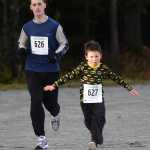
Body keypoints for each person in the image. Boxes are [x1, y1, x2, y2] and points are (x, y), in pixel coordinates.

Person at [43, 40, 139, 150]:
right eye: (92, 56)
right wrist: (54, 85)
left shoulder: (103, 68)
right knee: (88, 120)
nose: (94, 59)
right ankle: (98, 136)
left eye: (96, 56)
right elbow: (69, 76)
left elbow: (115, 77)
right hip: (85, 100)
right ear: (86, 57)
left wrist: (128, 88)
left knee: (99, 118)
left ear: (101, 56)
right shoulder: (83, 67)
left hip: (98, 99)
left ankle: (93, 141)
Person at [17, 0, 69, 149]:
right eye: (34, 4)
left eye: (39, 4)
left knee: (50, 104)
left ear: (45, 6)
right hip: (32, 70)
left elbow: (64, 44)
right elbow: (21, 43)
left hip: (51, 71)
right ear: (30, 7)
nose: (37, 7)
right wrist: (21, 49)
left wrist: (56, 55)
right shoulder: (27, 27)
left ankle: (56, 113)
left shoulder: (54, 26)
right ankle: (41, 139)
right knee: (36, 100)